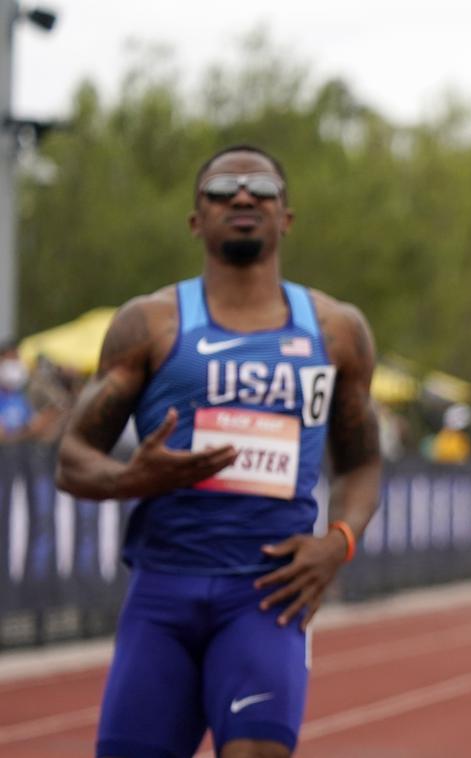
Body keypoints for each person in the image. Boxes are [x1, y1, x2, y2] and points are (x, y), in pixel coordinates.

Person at [56, 145, 382, 758]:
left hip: (266, 593)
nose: (241, 197)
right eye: (221, 188)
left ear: (285, 217)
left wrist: (338, 541)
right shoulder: (149, 324)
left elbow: (361, 463)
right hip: (163, 592)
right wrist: (132, 478)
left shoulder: (336, 331)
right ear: (195, 218)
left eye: (260, 188)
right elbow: (72, 457)